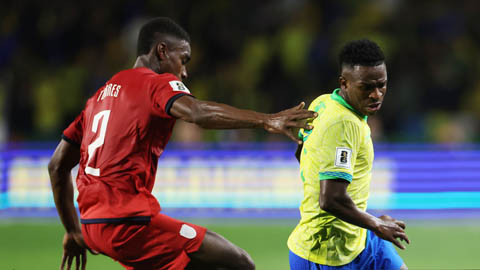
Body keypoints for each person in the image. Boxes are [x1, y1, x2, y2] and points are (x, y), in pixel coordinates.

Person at [48, 17, 317, 270]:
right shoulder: (155, 83)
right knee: (238, 262)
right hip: (129, 223)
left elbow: (57, 165)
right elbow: (197, 113)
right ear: (162, 51)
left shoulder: (98, 98)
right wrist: (267, 120)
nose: (185, 72)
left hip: (93, 227)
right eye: (183, 59)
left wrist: (73, 231)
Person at [287, 39, 410, 270]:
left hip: (360, 237)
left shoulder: (322, 103)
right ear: (344, 83)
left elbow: (301, 153)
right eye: (367, 87)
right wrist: (376, 223)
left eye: (382, 85)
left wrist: (370, 223)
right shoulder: (344, 124)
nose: (376, 94)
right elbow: (330, 199)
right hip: (327, 252)